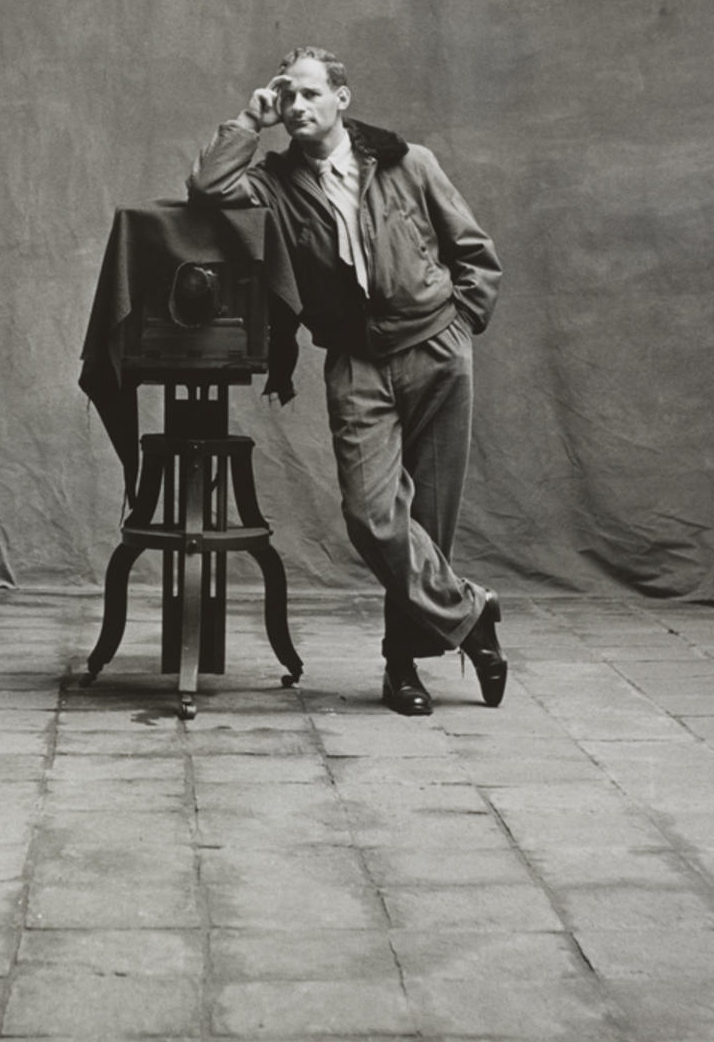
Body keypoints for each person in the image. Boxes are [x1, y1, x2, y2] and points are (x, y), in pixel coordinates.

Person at [187, 46, 505, 716]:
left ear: (342, 98)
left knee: (426, 525)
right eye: (287, 96)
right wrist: (249, 119)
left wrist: (461, 323)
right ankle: (472, 616)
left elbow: (473, 250)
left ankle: (401, 669)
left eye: (309, 93)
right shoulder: (274, 185)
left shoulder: (408, 163)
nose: (297, 105)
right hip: (358, 361)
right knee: (372, 515)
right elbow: (209, 187)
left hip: (435, 350)